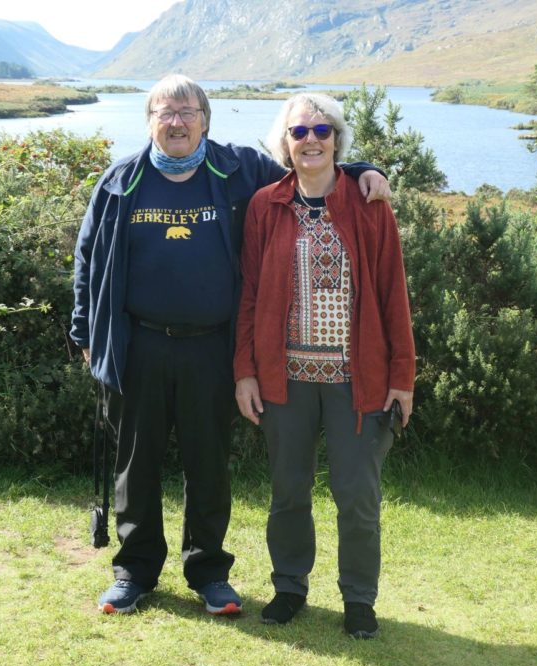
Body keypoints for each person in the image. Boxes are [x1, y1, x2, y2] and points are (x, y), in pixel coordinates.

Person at [70, 75, 390, 616]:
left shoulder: (237, 168)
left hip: (210, 347)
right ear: (150, 120)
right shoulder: (121, 180)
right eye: (165, 112)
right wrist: (85, 333)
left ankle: (209, 572)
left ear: (205, 118)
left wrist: (361, 170)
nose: (176, 122)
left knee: (208, 464)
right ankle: (134, 572)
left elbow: (307, 167)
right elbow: (87, 260)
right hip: (138, 344)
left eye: (187, 111)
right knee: (136, 463)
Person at [233, 93, 415, 638]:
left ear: (336, 138)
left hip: (357, 383)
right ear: (284, 144)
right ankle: (290, 586)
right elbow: (248, 295)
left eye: (321, 129)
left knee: (357, 495)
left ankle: (358, 599)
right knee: (288, 492)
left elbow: (392, 295)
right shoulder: (265, 205)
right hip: (283, 379)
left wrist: (402, 378)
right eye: (298, 132)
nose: (310, 139)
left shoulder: (369, 205)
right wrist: (245, 370)